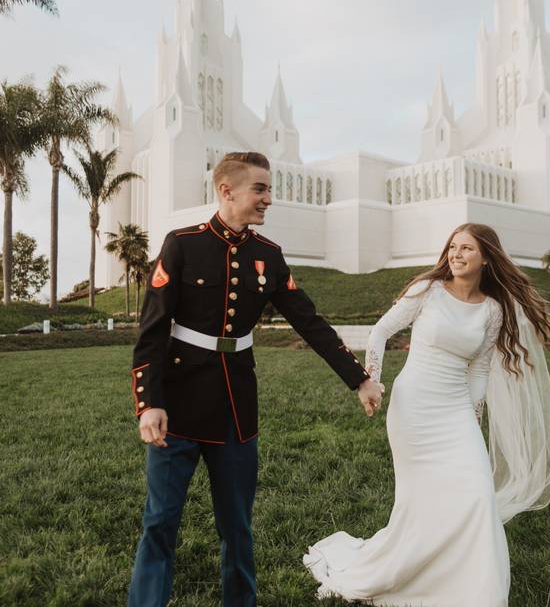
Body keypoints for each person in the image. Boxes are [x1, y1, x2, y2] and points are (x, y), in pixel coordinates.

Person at [128, 152, 384, 607]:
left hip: (234, 409)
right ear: (227, 191)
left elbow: (310, 322)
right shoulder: (182, 245)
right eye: (260, 189)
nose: (269, 199)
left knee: (237, 526)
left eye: (269, 189)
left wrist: (359, 378)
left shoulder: (267, 256)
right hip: (179, 407)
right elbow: (152, 332)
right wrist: (149, 403)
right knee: (161, 522)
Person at [304, 223, 550, 606]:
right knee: (420, 502)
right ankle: (404, 573)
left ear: (486, 258)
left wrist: (473, 424)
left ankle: (477, 592)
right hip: (414, 410)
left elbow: (479, 371)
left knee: (477, 495)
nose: (457, 255)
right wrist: (372, 381)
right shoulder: (427, 291)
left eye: (467, 249)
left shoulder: (492, 310)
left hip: (456, 412)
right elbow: (379, 333)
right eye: (453, 247)